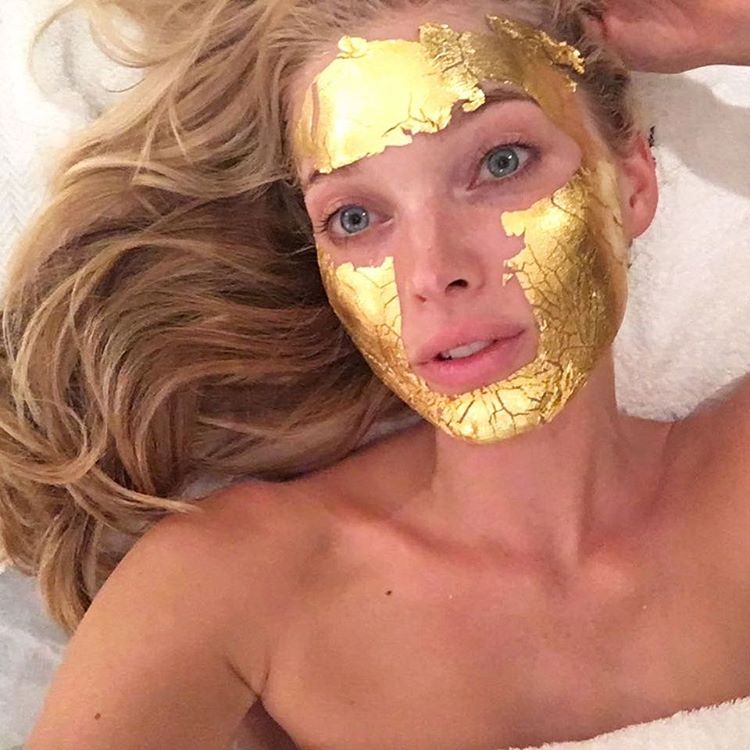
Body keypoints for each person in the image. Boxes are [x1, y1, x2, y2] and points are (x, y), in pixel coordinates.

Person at [4, 0, 749, 748]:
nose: (434, 271)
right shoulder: (231, 585)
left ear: (633, 182)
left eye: (501, 163)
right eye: (355, 219)